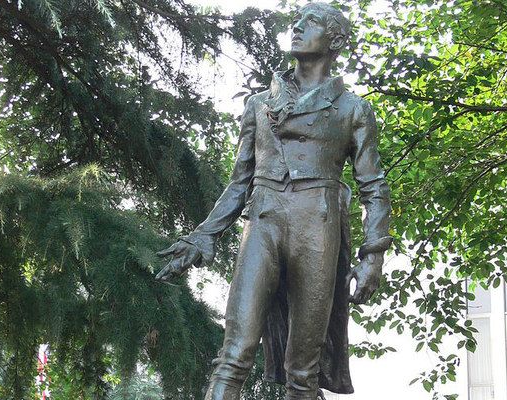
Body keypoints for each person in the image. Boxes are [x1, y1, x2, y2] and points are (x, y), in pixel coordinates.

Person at [155, 3, 392, 399]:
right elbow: (239, 184)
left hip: (317, 230)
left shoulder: (353, 109)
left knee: (303, 369)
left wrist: (374, 255)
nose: (296, 27)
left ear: (335, 40)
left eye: (310, 22)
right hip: (262, 224)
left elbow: (374, 187)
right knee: (234, 353)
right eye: (296, 20)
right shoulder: (258, 105)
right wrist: (202, 236)